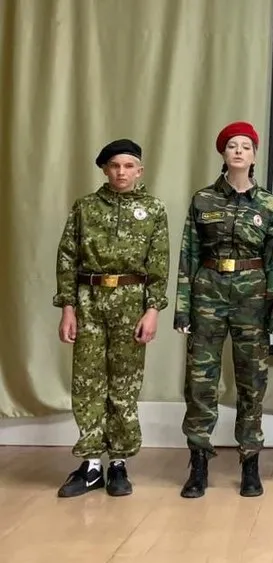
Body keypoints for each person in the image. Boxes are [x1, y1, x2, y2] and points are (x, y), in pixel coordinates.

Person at [174, 121, 273, 499]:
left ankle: (250, 462)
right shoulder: (203, 199)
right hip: (208, 292)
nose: (239, 151)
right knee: (200, 381)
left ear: (254, 155)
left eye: (246, 146)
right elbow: (188, 255)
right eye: (232, 146)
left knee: (252, 380)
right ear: (223, 153)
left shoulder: (268, 203)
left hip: (252, 297)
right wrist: (183, 307)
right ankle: (198, 463)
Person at [53, 138, 170, 498]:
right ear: (105, 169)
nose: (122, 172)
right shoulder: (85, 207)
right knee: (87, 381)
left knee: (124, 383)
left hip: (131, 302)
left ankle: (119, 462)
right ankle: (91, 465)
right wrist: (68, 308)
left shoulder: (153, 209)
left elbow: (159, 263)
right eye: (115, 166)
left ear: (140, 171)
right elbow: (67, 257)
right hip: (88, 299)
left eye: (129, 166)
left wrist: (152, 310)